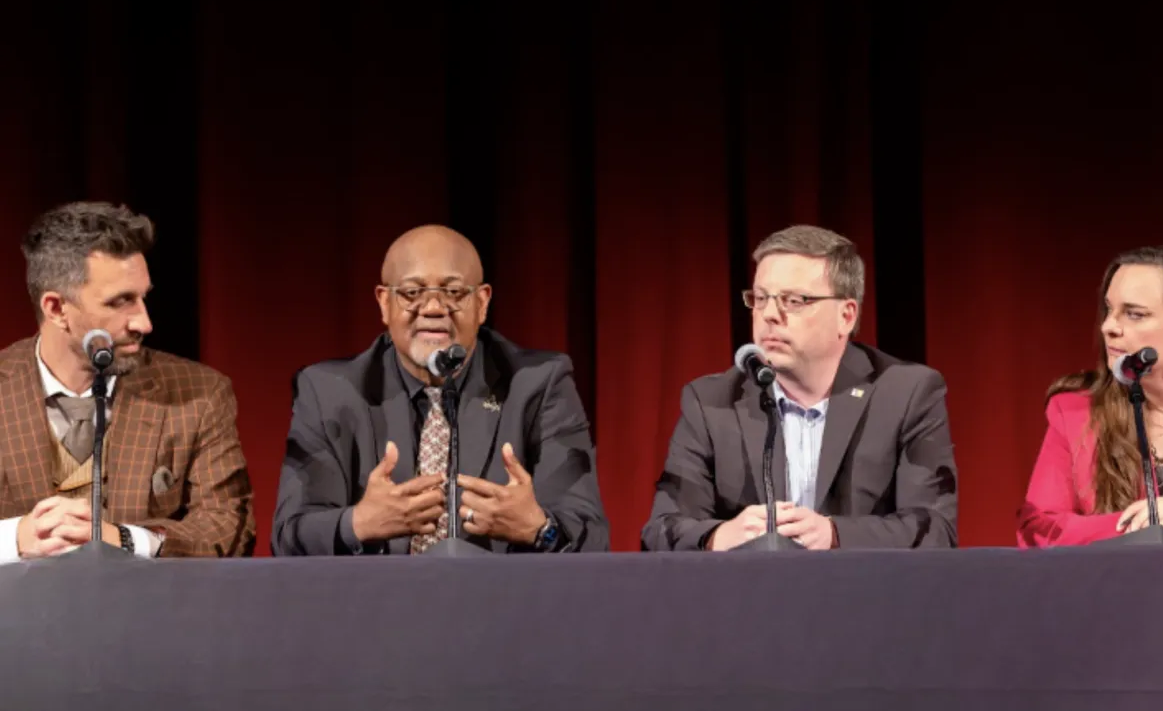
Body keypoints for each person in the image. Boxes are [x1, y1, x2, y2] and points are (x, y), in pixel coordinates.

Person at [272, 225, 608, 555]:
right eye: (412, 293)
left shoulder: (538, 384)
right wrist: (358, 523)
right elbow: (289, 535)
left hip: (502, 603)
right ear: (384, 303)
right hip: (374, 603)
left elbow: (591, 536)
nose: (433, 308)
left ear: (482, 302)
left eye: (454, 292)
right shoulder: (329, 392)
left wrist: (539, 529)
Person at [642, 224, 958, 551]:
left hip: (865, 595)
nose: (769, 315)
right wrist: (717, 537)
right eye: (761, 298)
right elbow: (662, 529)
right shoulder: (711, 403)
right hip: (751, 597)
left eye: (793, 300)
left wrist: (835, 534)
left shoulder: (907, 393)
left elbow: (935, 529)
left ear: (846, 316)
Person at [0, 201, 256, 560]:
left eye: (142, 298)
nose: (144, 323)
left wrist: (127, 540)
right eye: (120, 302)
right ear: (56, 309)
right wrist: (14, 538)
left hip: (146, 613)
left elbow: (230, 528)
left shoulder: (199, 394)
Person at [1018, 245, 1163, 546]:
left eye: (1134, 314)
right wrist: (1144, 531)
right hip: (1117, 588)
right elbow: (1038, 528)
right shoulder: (1077, 412)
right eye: (1109, 310)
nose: (1108, 327)